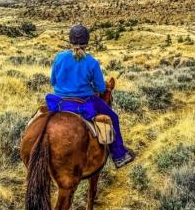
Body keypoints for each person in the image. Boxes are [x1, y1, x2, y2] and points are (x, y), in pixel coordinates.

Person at [49, 24, 136, 168]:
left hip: (59, 101)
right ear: (87, 43)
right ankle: (119, 156)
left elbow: (53, 81)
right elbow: (101, 88)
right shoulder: (91, 62)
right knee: (113, 118)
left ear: (70, 42)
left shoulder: (59, 57)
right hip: (84, 101)